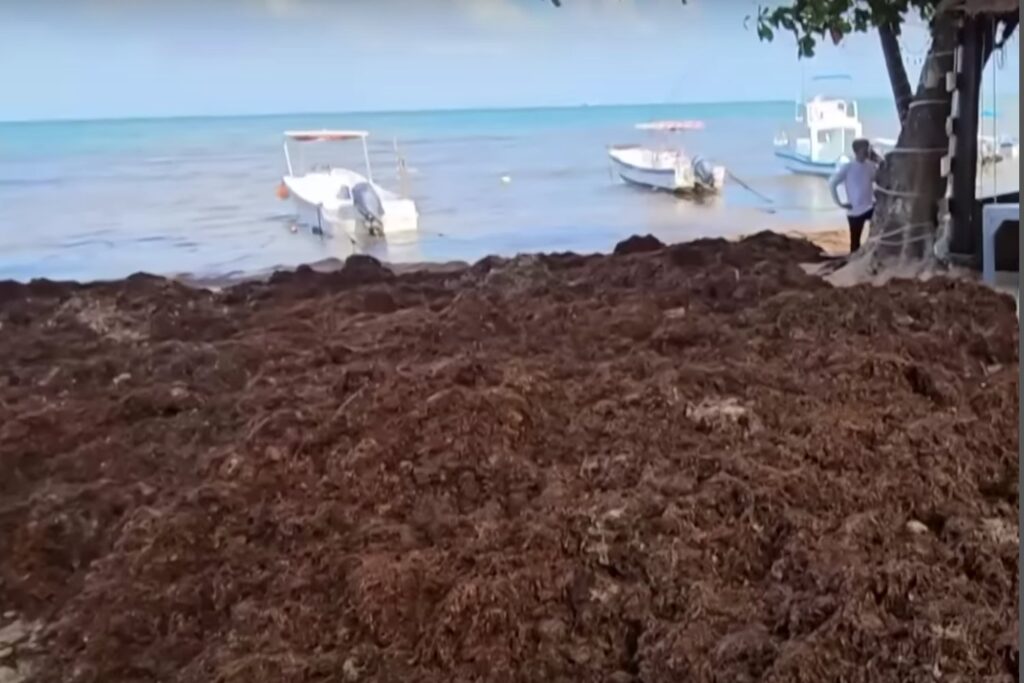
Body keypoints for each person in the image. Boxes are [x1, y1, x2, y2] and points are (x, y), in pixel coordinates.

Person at [828, 138, 881, 253]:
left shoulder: (871, 166)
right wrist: (839, 203)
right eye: (865, 149)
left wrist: (878, 161)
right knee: (855, 243)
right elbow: (832, 184)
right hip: (854, 211)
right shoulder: (848, 166)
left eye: (868, 149)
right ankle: (853, 265)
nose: (867, 152)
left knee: (881, 230)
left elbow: (880, 180)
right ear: (857, 151)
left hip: (870, 207)